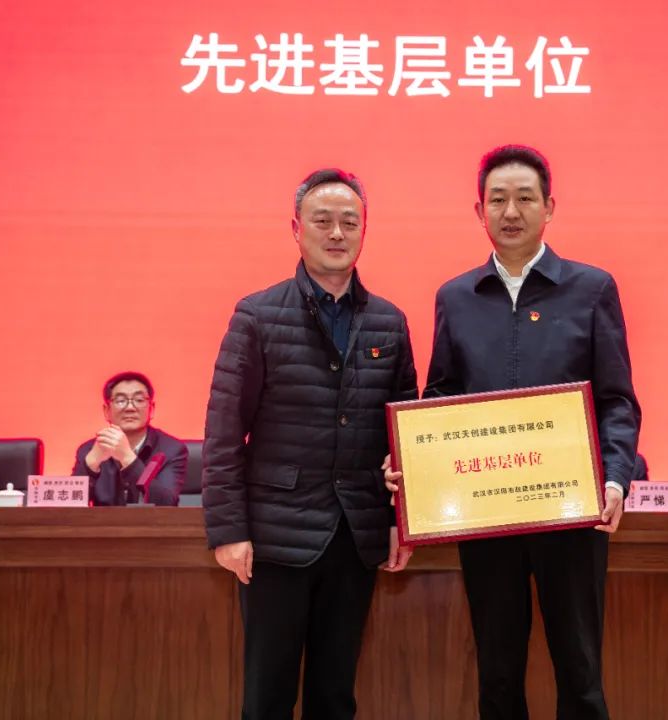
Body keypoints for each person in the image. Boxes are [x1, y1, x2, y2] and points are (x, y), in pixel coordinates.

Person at [388, 145, 641, 719]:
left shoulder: (592, 288)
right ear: (479, 211)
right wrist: (416, 459)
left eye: (525, 198)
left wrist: (615, 479)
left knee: (580, 671)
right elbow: (441, 396)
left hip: (571, 511)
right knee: (498, 673)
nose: (511, 211)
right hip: (486, 513)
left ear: (549, 206)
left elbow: (617, 399)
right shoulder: (456, 296)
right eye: (497, 199)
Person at [203, 168, 418, 719]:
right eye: (323, 221)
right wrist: (229, 531)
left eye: (350, 222)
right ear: (296, 228)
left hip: (355, 537)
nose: (337, 233)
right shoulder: (256, 316)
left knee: (335, 696)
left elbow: (404, 438)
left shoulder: (389, 322)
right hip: (275, 539)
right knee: (268, 697)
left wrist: (401, 520)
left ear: (364, 230)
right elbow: (224, 431)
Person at [72, 371, 188, 506]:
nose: (130, 408)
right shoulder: (88, 450)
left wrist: (128, 458)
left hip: (150, 521)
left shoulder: (172, 450)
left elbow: (167, 504)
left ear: (152, 409)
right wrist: (90, 465)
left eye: (139, 400)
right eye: (120, 401)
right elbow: (68, 508)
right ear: (106, 411)